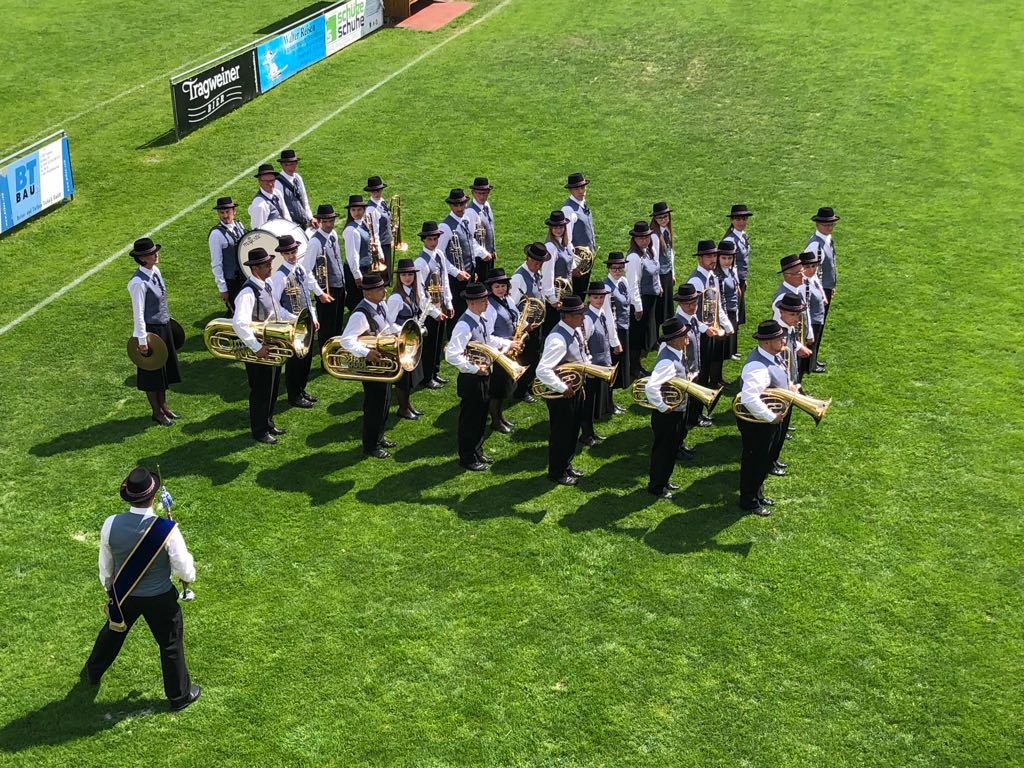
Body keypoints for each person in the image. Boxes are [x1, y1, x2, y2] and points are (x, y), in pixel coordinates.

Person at [82, 466, 200, 712]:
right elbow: (184, 568)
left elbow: (106, 565)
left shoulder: (110, 523)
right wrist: (189, 579)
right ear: (153, 497)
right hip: (160, 598)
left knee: (113, 632)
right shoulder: (167, 529)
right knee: (170, 643)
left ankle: (92, 671)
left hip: (124, 594)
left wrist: (110, 589)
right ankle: (180, 697)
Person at [445, 283, 518, 471]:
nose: (487, 303)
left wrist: (508, 343)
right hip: (472, 379)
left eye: (486, 300)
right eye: (483, 301)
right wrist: (473, 368)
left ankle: (477, 451)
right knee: (470, 419)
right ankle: (467, 458)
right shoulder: (463, 325)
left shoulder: (481, 317)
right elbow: (452, 354)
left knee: (480, 418)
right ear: (471, 303)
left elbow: (488, 340)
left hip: (484, 375)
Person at [232, 247, 294, 444]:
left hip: (272, 346)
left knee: (273, 387)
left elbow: (278, 310)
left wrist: (296, 320)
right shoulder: (248, 292)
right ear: (255, 268)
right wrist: (257, 347)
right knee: (261, 390)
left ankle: (267, 422)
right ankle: (259, 430)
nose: (271, 267)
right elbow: (239, 323)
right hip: (261, 350)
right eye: (267, 265)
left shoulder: (266, 284)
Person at [736, 320, 794, 516]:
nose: (783, 340)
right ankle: (749, 501)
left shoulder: (772, 355)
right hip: (758, 424)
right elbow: (749, 397)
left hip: (765, 421)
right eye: (779, 338)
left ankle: (757, 495)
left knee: (763, 460)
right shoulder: (757, 367)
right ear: (767, 342)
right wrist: (770, 417)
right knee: (755, 461)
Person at [340, 273, 397, 458]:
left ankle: (379, 437)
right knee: (374, 405)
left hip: (382, 362)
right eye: (380, 289)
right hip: (371, 365)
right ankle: (370, 445)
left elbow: (387, 326)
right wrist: (367, 353)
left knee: (385, 401)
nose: (384, 291)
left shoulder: (381, 304)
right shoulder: (360, 314)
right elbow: (346, 341)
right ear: (369, 293)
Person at [128, 237, 181, 427]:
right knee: (152, 373)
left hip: (163, 325)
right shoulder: (137, 283)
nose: (155, 255)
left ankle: (163, 406)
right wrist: (142, 340)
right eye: (151, 253)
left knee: (164, 369)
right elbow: (138, 313)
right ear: (142, 258)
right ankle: (156, 411)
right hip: (150, 330)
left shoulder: (155, 271)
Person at [536, 296, 589, 486]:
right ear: (567, 316)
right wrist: (562, 387)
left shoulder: (575, 331)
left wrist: (580, 385)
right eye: (580, 314)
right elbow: (542, 370)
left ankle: (566, 465)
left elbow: (580, 357)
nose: (583, 317)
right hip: (561, 395)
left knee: (572, 431)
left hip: (573, 390)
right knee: (561, 434)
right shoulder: (558, 339)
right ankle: (556, 472)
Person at [269, 234, 322, 409]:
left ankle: (301, 389)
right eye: (288, 253)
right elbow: (275, 304)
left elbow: (307, 295)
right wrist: (295, 319)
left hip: (306, 321)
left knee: (305, 360)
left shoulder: (299, 268)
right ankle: (294, 394)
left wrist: (313, 317)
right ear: (282, 254)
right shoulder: (279, 276)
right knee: (295, 361)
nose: (292, 255)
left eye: (294, 251)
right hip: (293, 325)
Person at [645, 317, 692, 499]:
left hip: (675, 411)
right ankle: (657, 486)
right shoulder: (667, 362)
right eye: (683, 335)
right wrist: (663, 406)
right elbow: (651, 387)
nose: (687, 337)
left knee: (671, 449)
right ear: (674, 340)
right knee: (664, 450)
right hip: (667, 414)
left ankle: (663, 480)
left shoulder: (676, 353)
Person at [687, 239, 733, 392]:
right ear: (699, 259)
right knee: (700, 371)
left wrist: (726, 325)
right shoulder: (696, 281)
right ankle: (696, 411)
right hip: (700, 332)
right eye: (709, 256)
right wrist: (704, 328)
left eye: (714, 256)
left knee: (707, 368)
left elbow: (717, 304)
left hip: (710, 329)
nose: (713, 260)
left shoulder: (712, 276)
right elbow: (690, 311)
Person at [413, 220, 453, 389]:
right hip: (429, 311)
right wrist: (434, 312)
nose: (433, 242)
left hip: (441, 305)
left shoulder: (440, 255)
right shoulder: (420, 263)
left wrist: (449, 302)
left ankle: (435, 372)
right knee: (429, 346)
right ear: (424, 240)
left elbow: (445, 280)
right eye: (430, 239)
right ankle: (427, 377)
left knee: (438, 343)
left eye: (435, 239)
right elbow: (420, 293)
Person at [673, 283, 713, 448]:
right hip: (685, 375)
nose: (693, 307)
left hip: (694, 369)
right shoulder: (678, 325)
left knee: (689, 407)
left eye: (695, 303)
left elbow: (697, 323)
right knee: (682, 410)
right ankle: (678, 444)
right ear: (680, 304)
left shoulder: (691, 316)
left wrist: (707, 330)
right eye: (689, 304)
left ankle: (685, 432)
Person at [508, 242, 549, 403]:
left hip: (536, 324)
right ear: (528, 258)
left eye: (540, 262)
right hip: (526, 328)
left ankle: (530, 384)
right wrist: (525, 326)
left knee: (535, 355)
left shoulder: (535, 273)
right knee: (526, 358)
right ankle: (521, 390)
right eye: (535, 261)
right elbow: (512, 305)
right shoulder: (519, 278)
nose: (538, 265)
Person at [386, 259, 426, 420]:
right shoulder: (396, 298)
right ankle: (403, 408)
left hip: (411, 340)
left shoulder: (412, 292)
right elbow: (388, 324)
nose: (407, 278)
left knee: (410, 375)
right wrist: (405, 332)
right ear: (399, 277)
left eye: (410, 274)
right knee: (403, 377)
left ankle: (407, 405)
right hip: (401, 341)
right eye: (404, 275)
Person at [580, 281, 619, 445]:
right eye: (596, 297)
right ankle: (586, 434)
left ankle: (591, 432)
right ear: (589, 298)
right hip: (592, 368)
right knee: (588, 402)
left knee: (594, 400)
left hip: (601, 365)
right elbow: (583, 344)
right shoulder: (588, 318)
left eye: (602, 297)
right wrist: (587, 367)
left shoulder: (601, 312)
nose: (599, 300)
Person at [438, 188, 482, 324]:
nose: (459, 208)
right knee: (457, 312)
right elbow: (439, 255)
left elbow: (470, 243)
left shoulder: (466, 219)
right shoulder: (445, 227)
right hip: (455, 278)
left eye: (462, 204)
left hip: (468, 273)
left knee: (469, 309)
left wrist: (472, 269)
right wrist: (456, 272)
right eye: (456, 205)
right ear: (450, 206)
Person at [304, 203, 342, 352]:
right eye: (324, 221)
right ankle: (326, 358)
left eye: (330, 221)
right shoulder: (314, 242)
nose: (328, 224)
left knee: (337, 324)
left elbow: (338, 260)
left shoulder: (333, 235)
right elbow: (306, 271)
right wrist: (320, 293)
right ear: (319, 222)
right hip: (326, 289)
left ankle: (337, 354)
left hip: (338, 285)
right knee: (327, 327)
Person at [484, 268, 518, 433]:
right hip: (498, 352)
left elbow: (514, 316)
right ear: (491, 288)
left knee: (505, 386)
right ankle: (495, 420)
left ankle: (500, 416)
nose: (501, 289)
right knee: (497, 389)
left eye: (503, 286)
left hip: (509, 347)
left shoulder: (508, 300)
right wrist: (507, 342)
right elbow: (488, 336)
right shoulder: (489, 307)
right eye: (497, 286)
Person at [804, 206, 839, 366]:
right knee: (815, 324)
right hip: (817, 290)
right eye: (825, 224)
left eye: (831, 224)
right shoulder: (815, 246)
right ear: (817, 224)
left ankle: (814, 359)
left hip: (825, 288)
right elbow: (812, 273)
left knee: (820, 323)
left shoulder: (827, 240)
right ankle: (810, 361)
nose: (829, 227)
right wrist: (820, 292)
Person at [625, 221, 660, 377]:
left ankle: (637, 364)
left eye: (646, 237)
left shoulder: (649, 251)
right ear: (635, 239)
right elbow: (634, 284)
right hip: (640, 300)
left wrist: (658, 286)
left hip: (650, 298)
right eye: (640, 238)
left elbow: (655, 271)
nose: (644, 240)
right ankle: (634, 366)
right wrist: (638, 307)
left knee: (644, 332)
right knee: (637, 335)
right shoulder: (634, 257)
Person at [772, 254, 815, 378]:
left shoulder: (795, 290)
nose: (803, 275)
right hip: (786, 341)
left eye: (802, 271)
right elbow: (781, 324)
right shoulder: (782, 297)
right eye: (798, 273)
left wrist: (809, 333)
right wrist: (797, 345)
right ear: (787, 276)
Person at [603, 253, 631, 414]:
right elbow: (608, 317)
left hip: (624, 328)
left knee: (619, 368)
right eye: (614, 268)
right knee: (612, 368)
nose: (617, 270)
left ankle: (610, 402)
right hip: (614, 332)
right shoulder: (607, 288)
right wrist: (615, 341)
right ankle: (608, 403)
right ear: (608, 268)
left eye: (620, 267)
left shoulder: (623, 281)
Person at [208, 196, 247, 311]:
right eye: (221, 212)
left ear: (234, 211)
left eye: (227, 212)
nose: (225, 216)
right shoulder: (216, 234)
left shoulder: (240, 225)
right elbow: (216, 263)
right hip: (232, 281)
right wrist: (223, 288)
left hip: (245, 276)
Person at [561, 172, 596, 297]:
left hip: (586, 261)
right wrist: (574, 266)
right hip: (577, 263)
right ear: (570, 190)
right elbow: (566, 240)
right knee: (576, 296)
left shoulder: (584, 204)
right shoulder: (568, 210)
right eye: (577, 188)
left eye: (583, 187)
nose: (581, 191)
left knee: (581, 294)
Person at [542, 210, 575, 333]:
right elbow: (547, 274)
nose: (558, 230)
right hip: (555, 298)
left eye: (561, 226)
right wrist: (553, 299)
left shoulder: (565, 244)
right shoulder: (551, 247)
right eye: (555, 227)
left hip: (565, 294)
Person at [721, 204, 752, 332]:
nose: (741, 222)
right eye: (738, 219)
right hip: (733, 280)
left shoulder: (743, 235)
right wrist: (737, 283)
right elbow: (729, 264)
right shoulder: (730, 239)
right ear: (732, 220)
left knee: (738, 313)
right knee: (733, 312)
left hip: (740, 279)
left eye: (744, 219)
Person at [342, 194, 374, 311]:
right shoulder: (351, 230)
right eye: (353, 210)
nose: (356, 212)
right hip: (357, 270)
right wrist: (357, 274)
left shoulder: (362, 223)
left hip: (365, 267)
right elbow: (352, 255)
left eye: (359, 209)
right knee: (357, 301)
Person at [801, 251, 828, 373]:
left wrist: (823, 297)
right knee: (807, 351)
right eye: (807, 267)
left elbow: (819, 286)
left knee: (814, 346)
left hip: (817, 318)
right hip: (811, 321)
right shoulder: (803, 284)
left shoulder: (813, 278)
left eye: (814, 266)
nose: (812, 270)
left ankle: (812, 365)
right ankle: (807, 369)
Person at [275, 149, 314, 230]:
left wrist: (310, 217)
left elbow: (304, 199)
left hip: (303, 222)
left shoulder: (298, 178)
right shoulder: (278, 183)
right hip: (291, 225)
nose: (290, 167)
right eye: (287, 165)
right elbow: (281, 208)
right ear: (282, 165)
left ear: (296, 163)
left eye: (292, 164)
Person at [650, 202, 676, 323]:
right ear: (655, 219)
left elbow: (671, 253)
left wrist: (673, 273)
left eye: (665, 216)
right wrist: (658, 283)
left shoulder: (667, 231)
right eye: (660, 217)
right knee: (661, 310)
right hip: (660, 275)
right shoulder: (655, 235)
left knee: (669, 307)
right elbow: (655, 260)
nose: (664, 219)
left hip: (668, 273)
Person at [467, 177, 497, 282]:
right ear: (473, 193)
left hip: (489, 255)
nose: (482, 196)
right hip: (479, 258)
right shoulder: (470, 212)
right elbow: (469, 237)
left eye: (485, 193)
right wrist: (483, 253)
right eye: (479, 193)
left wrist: (493, 249)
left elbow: (490, 227)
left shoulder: (486, 206)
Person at [364, 176, 394, 281]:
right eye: (373, 191)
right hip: (381, 245)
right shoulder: (371, 209)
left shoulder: (381, 201)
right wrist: (379, 253)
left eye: (378, 190)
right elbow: (374, 233)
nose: (376, 193)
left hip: (386, 242)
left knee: (388, 274)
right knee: (383, 277)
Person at [716, 240, 741, 361]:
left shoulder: (731, 270)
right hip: (725, 310)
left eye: (730, 258)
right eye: (724, 258)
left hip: (733, 306)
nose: (727, 261)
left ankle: (731, 352)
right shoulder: (717, 275)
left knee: (734, 330)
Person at [248, 163, 291, 230]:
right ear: (260, 182)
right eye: (266, 181)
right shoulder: (260, 205)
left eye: (272, 180)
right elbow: (259, 231)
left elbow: (286, 214)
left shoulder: (277, 193)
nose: (270, 184)